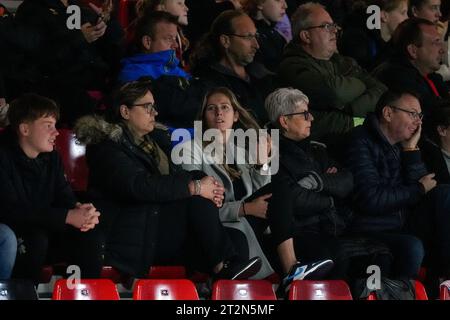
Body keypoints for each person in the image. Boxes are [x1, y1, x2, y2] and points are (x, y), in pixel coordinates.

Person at [74, 79, 262, 279]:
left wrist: (208, 184)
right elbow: (140, 186)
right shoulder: (106, 147)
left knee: (237, 240)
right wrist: (196, 187)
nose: (155, 113)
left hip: (156, 226)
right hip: (130, 237)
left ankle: (225, 293)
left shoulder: (157, 143)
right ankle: (220, 268)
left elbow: (181, 176)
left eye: (154, 107)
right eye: (147, 107)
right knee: (197, 199)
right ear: (125, 112)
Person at [265, 87, 379, 296]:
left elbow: (347, 181)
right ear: (284, 121)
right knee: (338, 255)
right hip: (300, 232)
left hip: (333, 226)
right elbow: (291, 198)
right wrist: (330, 198)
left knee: (381, 254)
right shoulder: (270, 153)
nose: (312, 118)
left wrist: (318, 182)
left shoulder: (318, 149)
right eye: (305, 114)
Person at [347, 89, 450, 295]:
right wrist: (418, 189)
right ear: (388, 113)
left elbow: (425, 195)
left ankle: (444, 282)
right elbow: (371, 199)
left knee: (442, 197)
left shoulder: (403, 146)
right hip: (370, 228)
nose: (418, 122)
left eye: (420, 116)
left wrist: (411, 151)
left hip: (400, 223)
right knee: (414, 242)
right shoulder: (360, 141)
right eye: (412, 114)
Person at [0, 93, 101, 283]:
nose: (56, 132)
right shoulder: (3, 156)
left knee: (89, 235)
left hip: (44, 227)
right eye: (48, 126)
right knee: (35, 239)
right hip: (16, 231)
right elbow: (11, 211)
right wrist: (66, 216)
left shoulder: (52, 157)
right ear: (25, 129)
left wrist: (81, 211)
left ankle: (82, 294)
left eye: (55, 126)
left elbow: (64, 196)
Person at [178, 87, 274, 279]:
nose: (219, 112)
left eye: (225, 107)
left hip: (250, 223)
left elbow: (263, 192)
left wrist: (262, 163)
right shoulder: (188, 150)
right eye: (211, 108)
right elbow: (198, 207)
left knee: (280, 190)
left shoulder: (242, 153)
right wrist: (244, 209)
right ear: (204, 117)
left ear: (236, 115)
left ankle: (292, 267)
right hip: (219, 227)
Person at [277, 2, 387, 146]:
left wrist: (351, 109)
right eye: (326, 26)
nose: (334, 30)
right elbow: (335, 93)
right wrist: (361, 86)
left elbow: (382, 91)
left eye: (334, 26)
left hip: (358, 140)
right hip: (325, 149)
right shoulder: (292, 67)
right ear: (306, 36)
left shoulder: (344, 61)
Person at [13, 0, 124, 125]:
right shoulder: (31, 9)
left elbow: (113, 50)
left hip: (96, 90)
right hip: (57, 96)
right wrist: (79, 38)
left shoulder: (81, 7)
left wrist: (108, 22)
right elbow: (38, 57)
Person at [118, 11, 206, 128]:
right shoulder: (133, 73)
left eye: (175, 39)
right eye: (169, 39)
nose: (175, 45)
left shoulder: (175, 69)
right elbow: (172, 107)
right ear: (147, 42)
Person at [190, 9, 274, 125]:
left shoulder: (262, 74)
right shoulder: (209, 83)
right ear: (225, 41)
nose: (256, 45)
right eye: (248, 37)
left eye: (256, 36)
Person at [372, 18, 449, 135]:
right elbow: (435, 113)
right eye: (435, 42)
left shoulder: (427, 74)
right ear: (413, 50)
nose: (442, 50)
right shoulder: (397, 76)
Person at [338, 0, 408, 70]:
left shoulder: (398, 42)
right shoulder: (357, 41)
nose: (407, 18)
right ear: (384, 16)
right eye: (403, 13)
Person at [242, 0, 288, 72]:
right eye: (278, 0)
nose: (285, 6)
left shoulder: (276, 34)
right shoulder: (246, 35)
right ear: (260, 3)